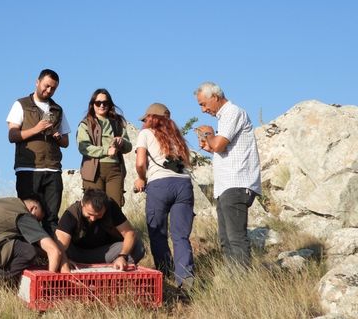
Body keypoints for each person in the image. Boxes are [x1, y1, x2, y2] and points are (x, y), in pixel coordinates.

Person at [194, 82, 262, 267]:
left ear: (215, 97)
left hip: (237, 183)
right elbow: (221, 149)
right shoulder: (225, 117)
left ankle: (242, 283)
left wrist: (208, 134)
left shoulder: (233, 112)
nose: (203, 109)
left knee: (236, 239)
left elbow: (218, 145)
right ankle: (233, 282)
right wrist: (209, 145)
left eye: (203, 103)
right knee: (225, 240)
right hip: (226, 186)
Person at [134, 103, 195, 289]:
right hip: (184, 185)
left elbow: (140, 162)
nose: (144, 123)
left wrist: (140, 179)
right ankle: (185, 281)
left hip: (159, 185)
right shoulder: (176, 137)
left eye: (146, 119)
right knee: (180, 236)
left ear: (151, 118)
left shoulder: (145, 134)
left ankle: (166, 274)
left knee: (158, 233)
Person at [6, 69, 70, 235]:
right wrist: (36, 129)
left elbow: (66, 142)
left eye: (53, 88)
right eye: (46, 86)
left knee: (51, 217)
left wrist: (57, 136)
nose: (48, 90)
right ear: (37, 82)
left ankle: (51, 257)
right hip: (28, 169)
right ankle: (29, 257)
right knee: (28, 217)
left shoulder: (58, 109)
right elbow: (12, 135)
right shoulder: (21, 104)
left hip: (53, 169)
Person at [55, 189, 145, 271]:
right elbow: (60, 246)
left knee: (137, 246)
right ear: (82, 204)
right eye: (89, 214)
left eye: (98, 215)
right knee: (60, 252)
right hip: (77, 254)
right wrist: (65, 262)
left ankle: (114, 270)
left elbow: (129, 233)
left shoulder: (111, 207)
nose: (93, 219)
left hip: (104, 253)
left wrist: (122, 256)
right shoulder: (71, 213)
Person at [77, 88, 132, 207]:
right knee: (95, 207)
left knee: (115, 209)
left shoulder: (118, 122)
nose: (102, 105)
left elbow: (129, 147)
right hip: (93, 171)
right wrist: (106, 150)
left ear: (110, 104)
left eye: (105, 103)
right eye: (98, 103)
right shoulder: (85, 124)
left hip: (115, 170)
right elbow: (83, 147)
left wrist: (122, 142)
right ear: (92, 105)